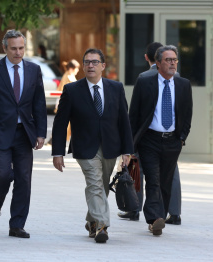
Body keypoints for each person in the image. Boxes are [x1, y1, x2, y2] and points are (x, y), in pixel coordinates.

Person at [52, 48, 134, 243]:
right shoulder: (72, 90)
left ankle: (91, 221)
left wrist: (127, 150)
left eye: (95, 62)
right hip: (84, 147)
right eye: (87, 62)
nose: (90, 65)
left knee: (102, 186)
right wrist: (57, 152)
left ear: (103, 66)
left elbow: (124, 120)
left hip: (110, 146)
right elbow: (60, 123)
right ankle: (102, 225)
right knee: (95, 183)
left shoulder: (116, 88)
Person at [0, 30, 47, 238]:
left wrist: (41, 133)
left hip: (25, 133)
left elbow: (39, 104)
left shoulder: (34, 70)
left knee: (24, 179)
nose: (18, 52)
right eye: (14, 48)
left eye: (21, 48)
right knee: (3, 174)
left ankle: (17, 225)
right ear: (5, 48)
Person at [129, 45, 192, 236]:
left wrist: (181, 138)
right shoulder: (145, 83)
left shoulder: (183, 84)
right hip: (149, 139)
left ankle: (159, 217)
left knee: (165, 181)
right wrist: (130, 144)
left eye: (175, 60)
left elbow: (187, 114)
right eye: (168, 60)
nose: (172, 63)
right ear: (157, 63)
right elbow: (134, 115)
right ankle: (154, 218)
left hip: (172, 141)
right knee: (153, 180)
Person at [118, 42, 182, 225]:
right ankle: (174, 212)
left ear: (147, 58)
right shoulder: (176, 77)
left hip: (146, 135)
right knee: (171, 173)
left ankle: (134, 208)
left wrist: (130, 139)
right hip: (169, 137)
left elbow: (136, 112)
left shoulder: (144, 76)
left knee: (136, 167)